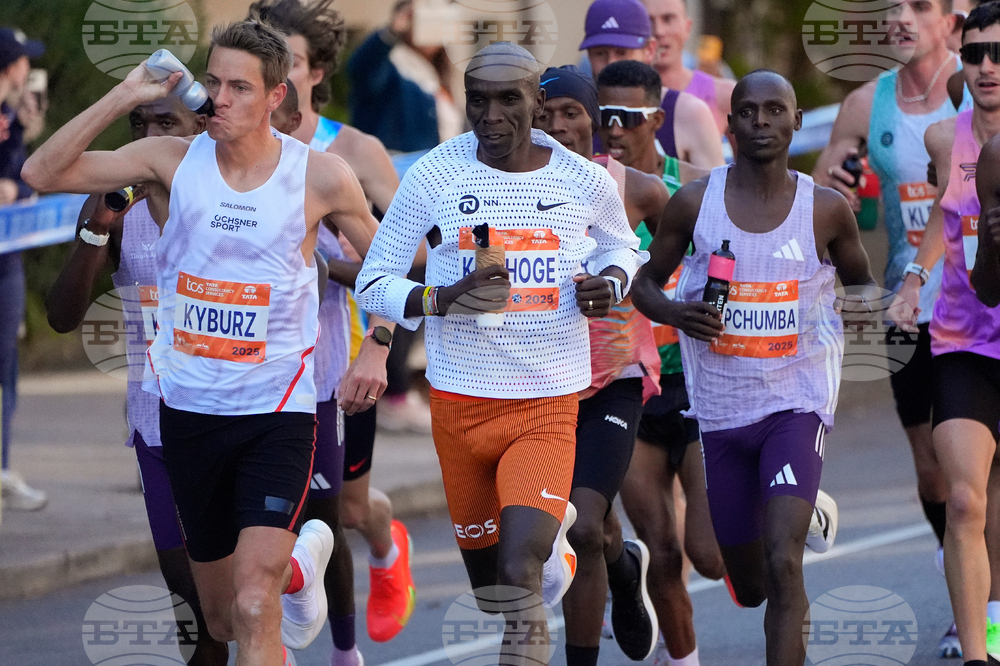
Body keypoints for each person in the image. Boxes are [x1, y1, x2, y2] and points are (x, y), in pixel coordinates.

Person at [22, 19, 381, 662]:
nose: (219, 98)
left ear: (275, 96)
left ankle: (287, 577)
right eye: (213, 82)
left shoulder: (320, 175)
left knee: (253, 602)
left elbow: (386, 268)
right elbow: (41, 171)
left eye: (239, 87)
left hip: (277, 413)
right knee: (219, 618)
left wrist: (377, 346)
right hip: (187, 413)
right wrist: (128, 91)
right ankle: (298, 570)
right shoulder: (170, 160)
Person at [356, 41, 646, 663]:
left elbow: (623, 246)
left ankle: (546, 550)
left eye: (508, 100)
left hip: (547, 401)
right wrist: (442, 298)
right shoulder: (435, 173)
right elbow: (374, 280)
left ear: (537, 104)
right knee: (493, 592)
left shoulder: (582, 178)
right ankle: (557, 551)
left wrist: (611, 281)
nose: (490, 116)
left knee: (519, 579)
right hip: (460, 402)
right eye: (478, 101)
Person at [633, 69, 877, 666]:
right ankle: (804, 509)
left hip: (797, 402)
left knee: (783, 563)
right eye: (747, 111)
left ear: (797, 121)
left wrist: (866, 308)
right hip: (720, 412)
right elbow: (644, 284)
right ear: (730, 124)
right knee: (748, 583)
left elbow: (863, 283)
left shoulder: (825, 210)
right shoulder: (695, 203)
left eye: (774, 110)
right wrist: (677, 313)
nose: (761, 121)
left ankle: (794, 506)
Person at [250, 0, 419, 652]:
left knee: (344, 510)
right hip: (257, 361)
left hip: (339, 356)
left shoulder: (353, 151)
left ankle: (385, 539)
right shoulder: (231, 148)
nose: (274, 73)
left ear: (316, 72)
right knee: (279, 520)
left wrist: (358, 251)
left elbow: (410, 253)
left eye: (288, 61)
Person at [44, 97, 230, 666]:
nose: (147, 135)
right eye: (138, 123)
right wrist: (96, 233)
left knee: (240, 602)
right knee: (193, 611)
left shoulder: (231, 197)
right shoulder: (113, 203)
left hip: (237, 422)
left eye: (164, 123)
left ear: (200, 127)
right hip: (157, 425)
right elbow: (62, 317)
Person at [812, 1, 963, 653]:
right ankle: (960, 565)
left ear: (951, 19)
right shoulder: (864, 106)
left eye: (919, 5)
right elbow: (823, 196)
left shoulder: (978, 85)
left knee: (972, 468)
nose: (901, 16)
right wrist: (839, 187)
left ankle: (977, 602)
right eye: (893, 5)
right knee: (932, 471)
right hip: (907, 304)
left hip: (976, 301)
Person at [596, 58, 725, 666]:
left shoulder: (699, 188)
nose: (612, 129)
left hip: (697, 385)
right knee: (661, 552)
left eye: (627, 117)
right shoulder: (584, 190)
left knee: (711, 556)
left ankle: (784, 507)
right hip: (630, 388)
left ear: (657, 118)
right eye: (603, 116)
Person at [534, 64, 664, 666]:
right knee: (577, 529)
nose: (558, 125)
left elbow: (675, 255)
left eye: (571, 112)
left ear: (595, 120)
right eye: (546, 114)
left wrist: (648, 295)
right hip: (540, 383)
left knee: (582, 526)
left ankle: (616, 581)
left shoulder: (635, 188)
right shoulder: (511, 189)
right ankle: (624, 561)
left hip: (614, 380)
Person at [887, 5, 1000, 663]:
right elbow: (943, 214)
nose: (987, 66)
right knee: (963, 500)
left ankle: (995, 615)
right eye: (977, 53)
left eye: (999, 54)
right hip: (963, 338)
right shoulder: (942, 139)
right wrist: (913, 279)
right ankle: (978, 653)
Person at [580, 0, 724, 173]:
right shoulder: (575, 114)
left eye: (622, 52)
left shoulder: (689, 113)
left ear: (650, 50)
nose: (611, 62)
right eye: (600, 53)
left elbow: (715, 188)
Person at [0, 26, 46, 512]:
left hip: (8, 258)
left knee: (7, 368)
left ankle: (3, 468)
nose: (29, 70)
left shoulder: (11, 116)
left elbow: (26, 178)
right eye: (24, 61)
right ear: (11, 66)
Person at [347, 0, 463, 152]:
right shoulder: (390, 64)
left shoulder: (435, 73)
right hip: (394, 162)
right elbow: (361, 69)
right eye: (424, 18)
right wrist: (391, 32)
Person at [639, 0, 735, 136]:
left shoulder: (724, 95)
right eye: (648, 21)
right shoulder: (618, 97)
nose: (659, 31)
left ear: (687, 28)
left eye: (668, 19)